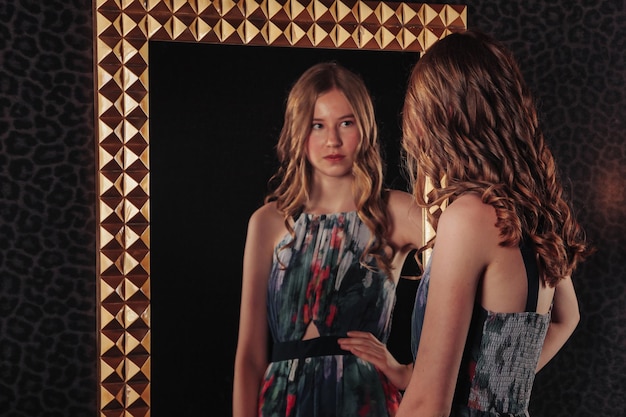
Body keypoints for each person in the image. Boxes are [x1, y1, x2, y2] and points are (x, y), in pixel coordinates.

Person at [395, 30, 593, 417]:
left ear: (446, 115)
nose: (413, 129)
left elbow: (428, 403)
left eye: (418, 111)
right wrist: (494, 395)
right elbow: (567, 318)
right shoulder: (535, 211)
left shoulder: (467, 218)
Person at [232, 62, 422, 417]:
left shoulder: (396, 212)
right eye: (317, 126)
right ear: (298, 131)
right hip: (281, 404)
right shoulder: (269, 223)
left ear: (364, 127)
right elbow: (250, 356)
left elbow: (474, 268)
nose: (332, 140)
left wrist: (409, 371)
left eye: (345, 123)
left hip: (366, 401)